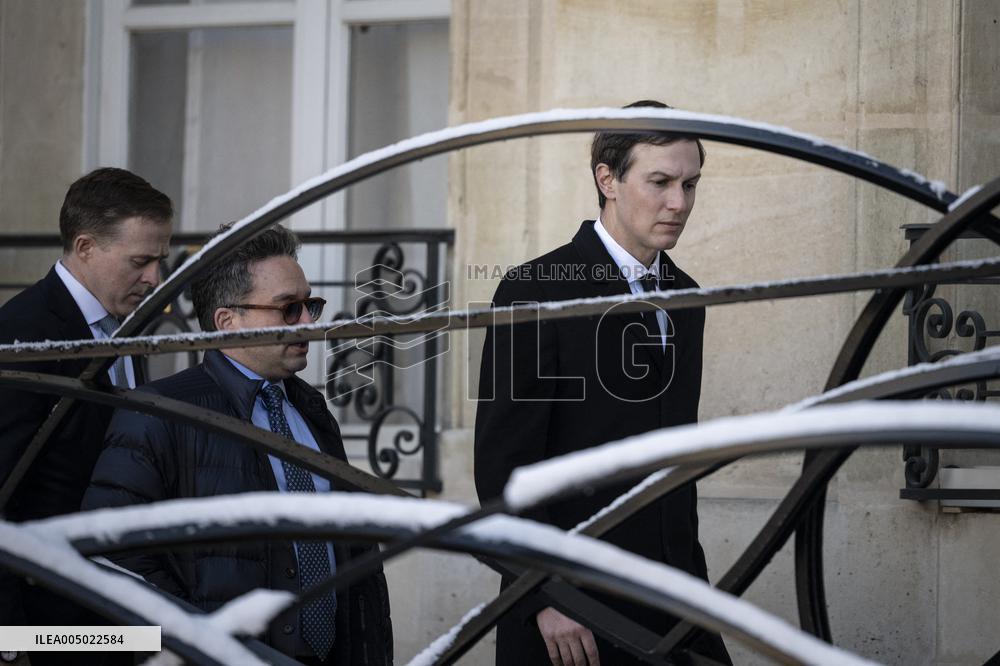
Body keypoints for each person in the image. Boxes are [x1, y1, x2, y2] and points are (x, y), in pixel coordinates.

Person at [474, 101, 731, 665]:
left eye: (690, 184)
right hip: (570, 617)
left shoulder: (686, 296)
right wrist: (543, 594)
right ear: (607, 179)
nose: (679, 203)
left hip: (675, 603)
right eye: (660, 181)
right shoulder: (534, 291)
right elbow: (500, 472)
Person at [82, 224, 392, 665]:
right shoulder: (161, 411)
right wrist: (196, 643)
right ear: (228, 322)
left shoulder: (311, 408)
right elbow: (111, 554)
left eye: (311, 305)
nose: (307, 322)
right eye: (288, 309)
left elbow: (354, 558)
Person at [0, 167, 173, 654]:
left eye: (161, 260)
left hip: (120, 613)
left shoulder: (127, 325)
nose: (154, 278)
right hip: (49, 624)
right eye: (140, 260)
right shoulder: (22, 335)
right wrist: (11, 640)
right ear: (85, 247)